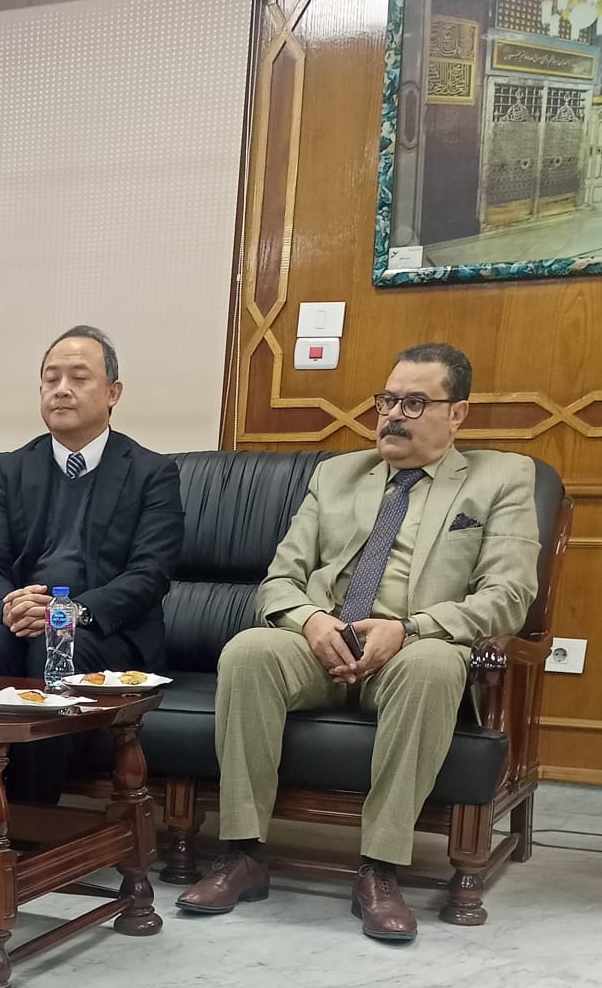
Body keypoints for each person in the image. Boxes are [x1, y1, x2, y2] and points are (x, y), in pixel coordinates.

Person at [177, 343, 541, 943]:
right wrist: (311, 622)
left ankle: (379, 869)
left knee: (431, 666)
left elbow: (509, 596)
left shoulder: (501, 477)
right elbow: (280, 580)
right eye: (387, 400)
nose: (393, 414)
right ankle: (242, 854)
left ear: (457, 414)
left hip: (413, 645)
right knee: (248, 651)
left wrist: (410, 628)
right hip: (323, 642)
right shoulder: (337, 475)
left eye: (414, 403)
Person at [0, 325, 182, 804]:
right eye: (51, 379)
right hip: (22, 623)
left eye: (79, 378)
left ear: (113, 393)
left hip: (106, 635)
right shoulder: (9, 470)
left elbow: (150, 574)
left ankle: (31, 815)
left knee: (57, 645)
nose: (61, 389)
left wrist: (70, 613)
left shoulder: (151, 473)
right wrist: (7, 605)